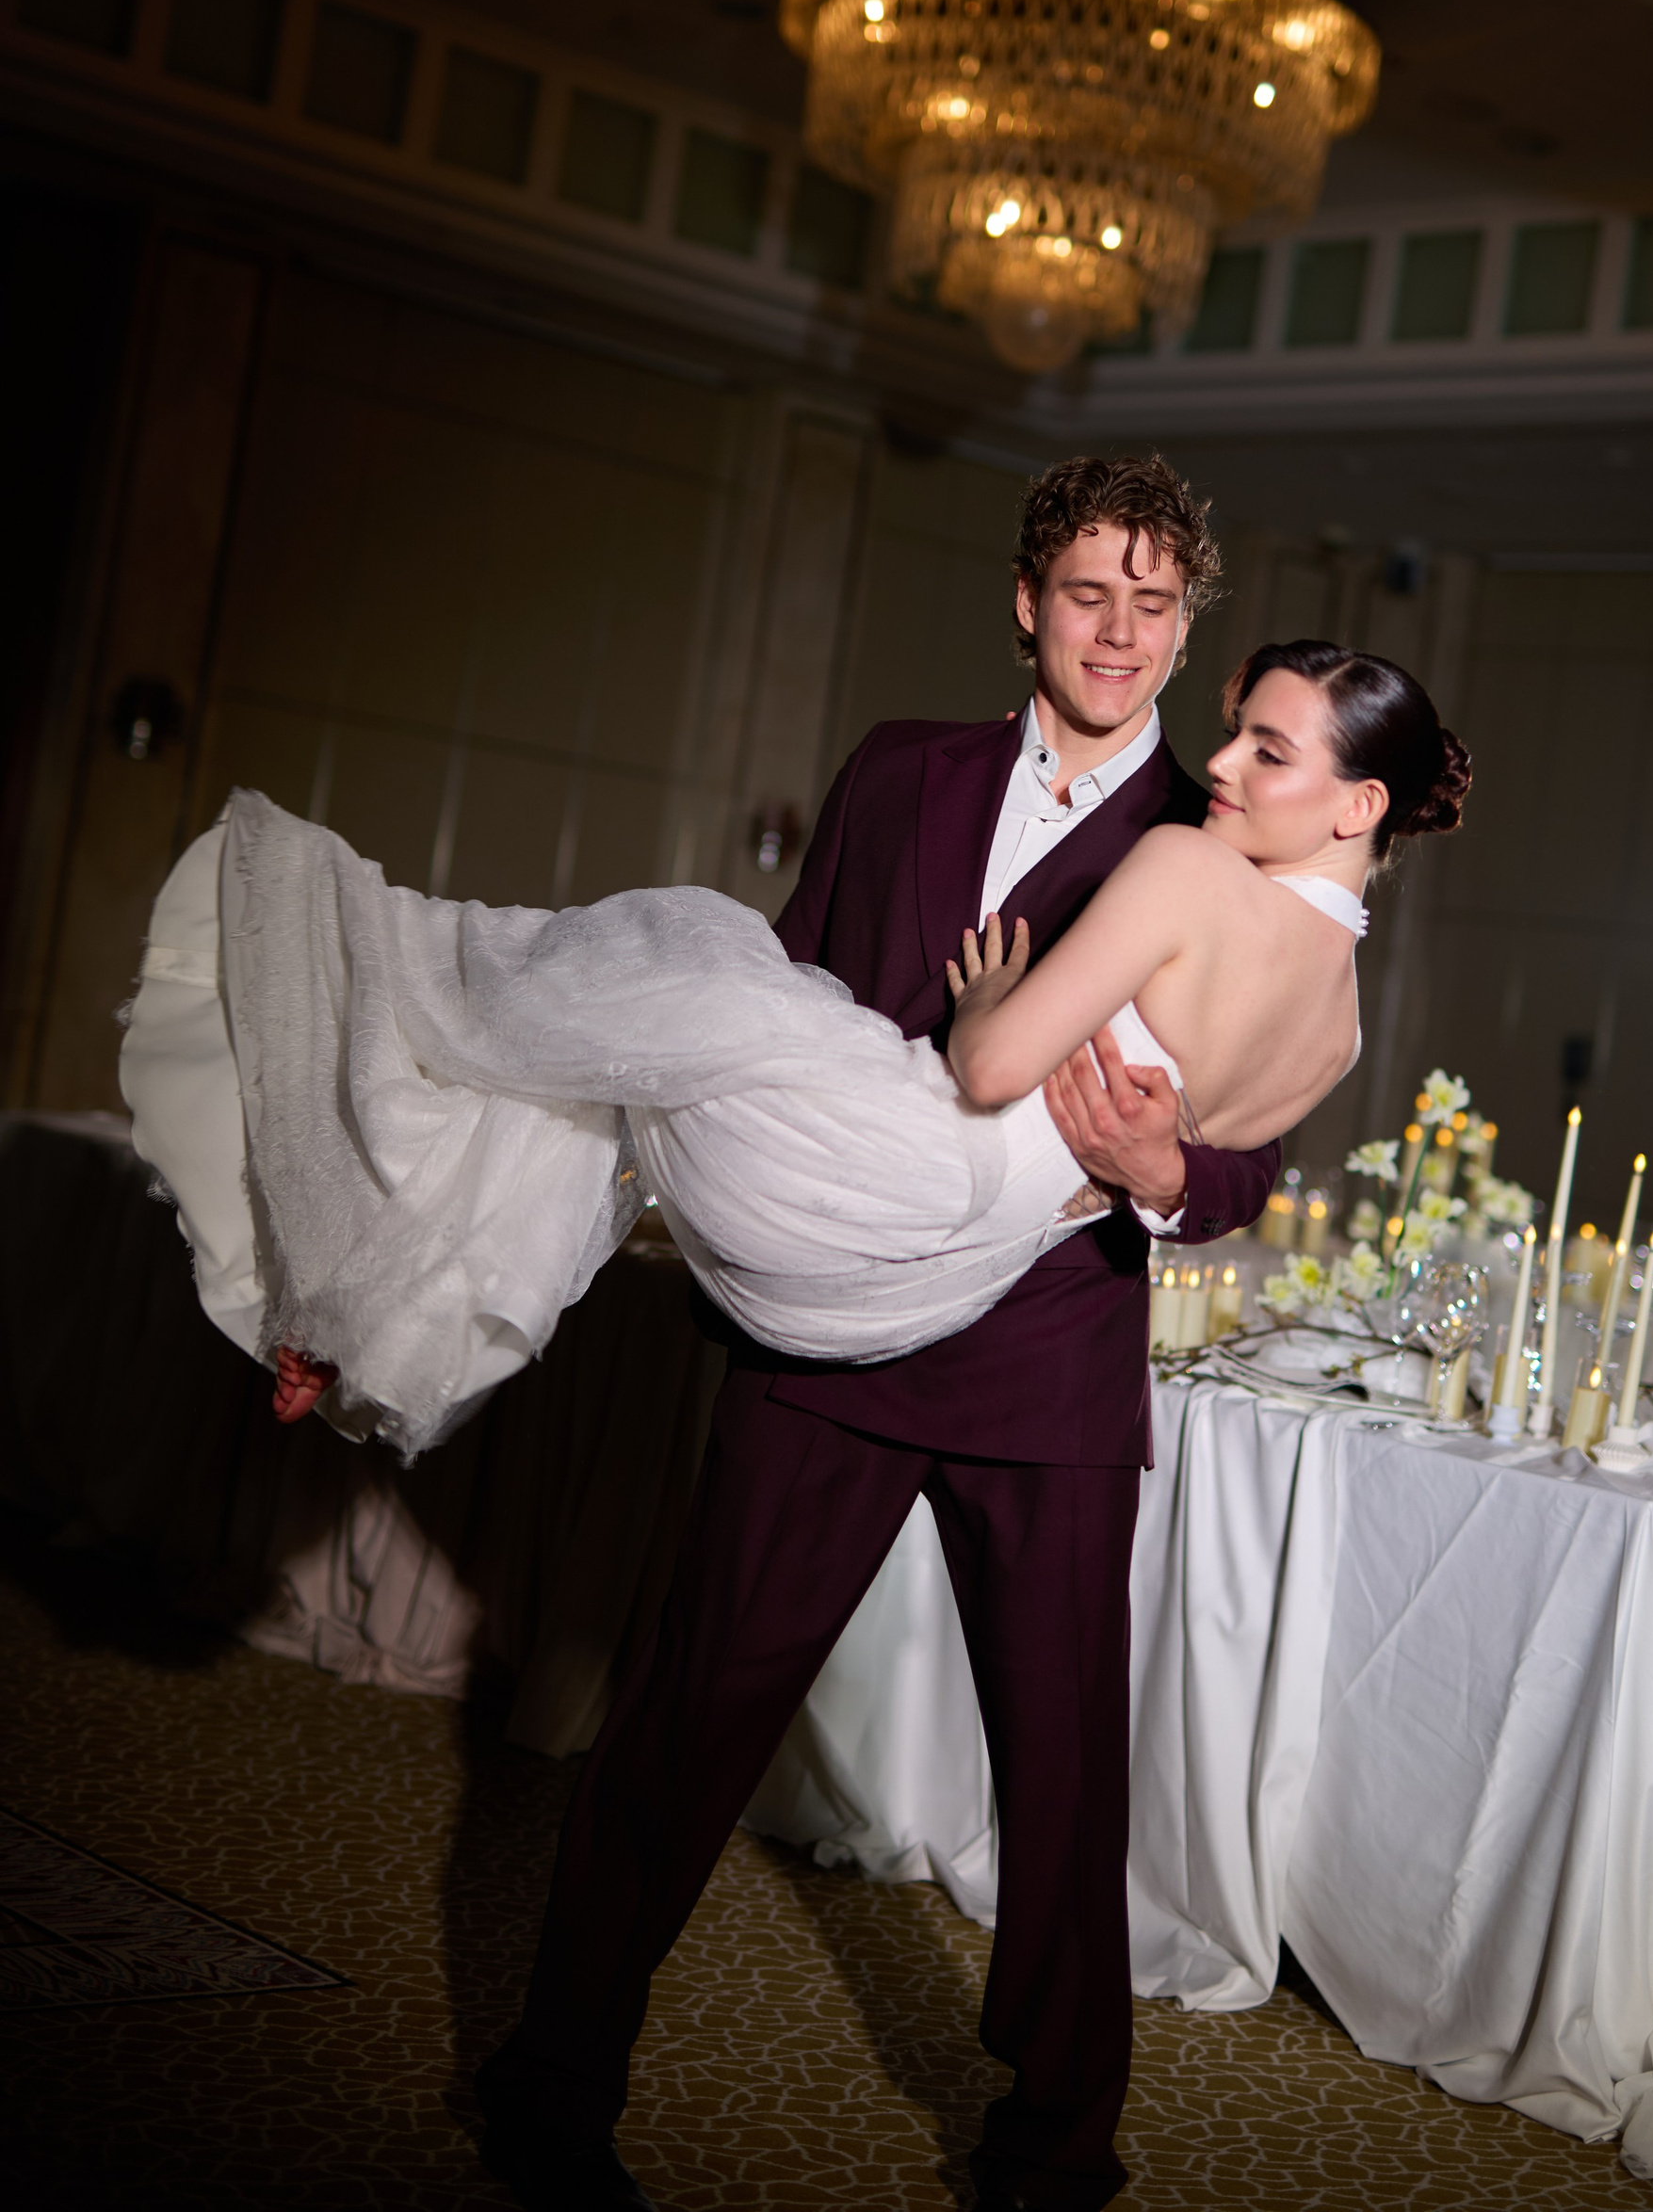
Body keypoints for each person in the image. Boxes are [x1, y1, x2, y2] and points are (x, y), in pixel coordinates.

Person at [120, 455, 1469, 2209]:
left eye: (1154, 605)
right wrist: (389, 1277)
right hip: (831, 1340)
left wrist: (1166, 1175)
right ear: (1028, 604)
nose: (1120, 633)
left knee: (1069, 1779)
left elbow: (1245, 1160)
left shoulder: (1222, 831)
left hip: (1049, 1361)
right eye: (1087, 594)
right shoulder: (904, 770)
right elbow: (738, 1026)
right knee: (689, 1718)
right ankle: (554, 2086)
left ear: (1188, 627)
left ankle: (1059, 2149)